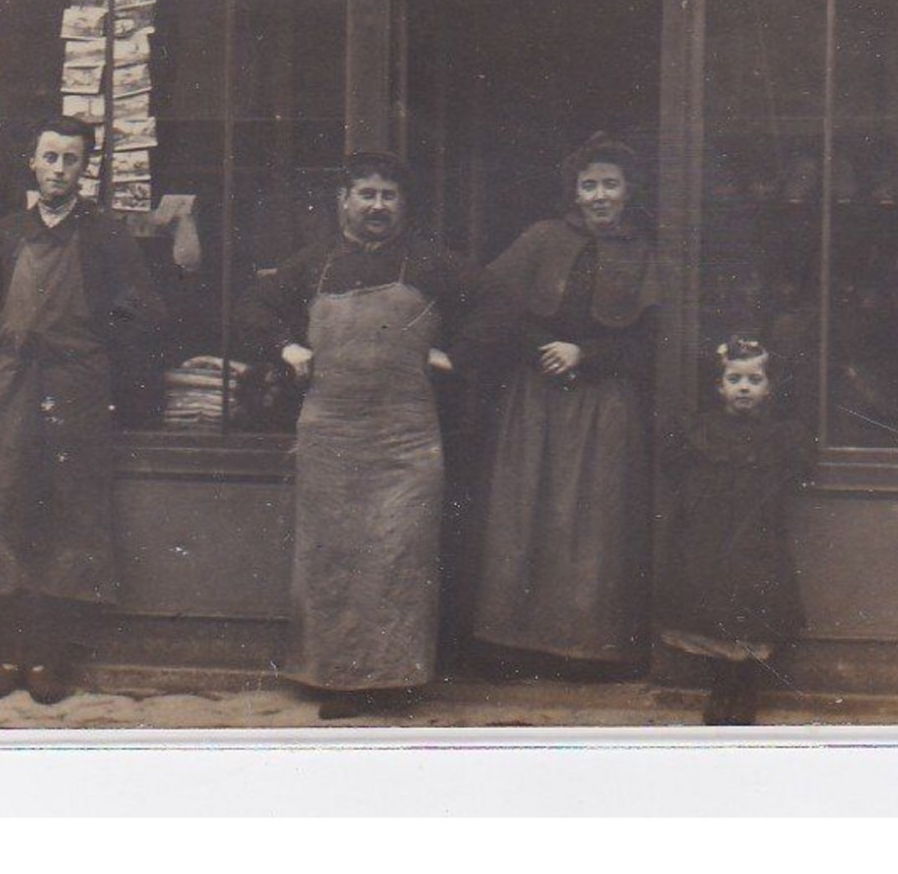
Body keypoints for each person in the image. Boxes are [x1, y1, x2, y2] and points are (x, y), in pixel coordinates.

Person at [235, 151, 517, 720]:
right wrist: (287, 346)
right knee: (332, 555)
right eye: (367, 194)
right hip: (331, 432)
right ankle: (336, 679)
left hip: (405, 437)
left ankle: (392, 679)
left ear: (403, 205)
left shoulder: (431, 262)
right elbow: (255, 307)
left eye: (389, 196)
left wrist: (452, 356)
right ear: (343, 201)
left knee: (398, 554)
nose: (378, 206)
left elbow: (498, 304)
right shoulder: (313, 263)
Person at [0, 118, 165, 705]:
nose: (58, 169)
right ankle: (0, 659)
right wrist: (4, 328)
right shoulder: (6, 234)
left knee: (65, 513)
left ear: (84, 169)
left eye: (71, 160)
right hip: (13, 384)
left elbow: (145, 309)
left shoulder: (106, 237)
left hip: (76, 388)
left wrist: (95, 337)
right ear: (32, 161)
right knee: (5, 508)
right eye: (49, 157)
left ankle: (48, 663)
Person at [473, 133, 661, 675]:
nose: (599, 195)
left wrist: (588, 353)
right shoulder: (540, 239)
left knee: (594, 520)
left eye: (610, 184)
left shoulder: (645, 250)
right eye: (589, 185)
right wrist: (539, 350)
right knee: (525, 510)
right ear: (574, 193)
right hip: (535, 399)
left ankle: (585, 650)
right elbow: (492, 302)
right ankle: (514, 645)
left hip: (604, 402)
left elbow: (654, 338)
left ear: (628, 191)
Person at [656, 337, 814, 725]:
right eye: (734, 378)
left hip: (756, 533)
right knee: (714, 603)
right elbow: (675, 467)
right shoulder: (701, 430)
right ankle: (720, 689)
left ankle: (744, 691)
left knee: (752, 604)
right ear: (720, 385)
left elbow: (797, 473)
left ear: (769, 387)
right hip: (710, 532)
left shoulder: (780, 435)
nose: (744, 387)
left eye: (754, 379)